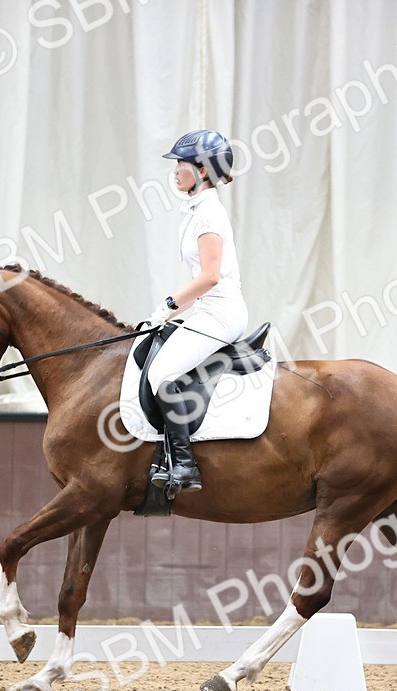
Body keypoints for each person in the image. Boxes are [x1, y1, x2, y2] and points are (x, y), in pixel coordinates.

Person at [145, 129, 247, 493]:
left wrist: (170, 305)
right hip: (208, 310)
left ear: (203, 170)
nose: (175, 171)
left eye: (181, 164)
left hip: (220, 313)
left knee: (161, 374)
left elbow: (209, 276)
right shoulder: (197, 209)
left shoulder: (208, 215)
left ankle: (185, 464)